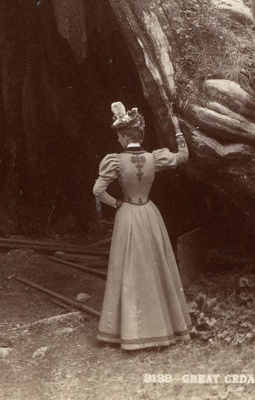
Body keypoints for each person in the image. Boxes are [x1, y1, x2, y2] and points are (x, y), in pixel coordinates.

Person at [93, 101, 191, 350]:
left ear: (125, 135)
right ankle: (160, 327)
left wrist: (116, 204)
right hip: (149, 212)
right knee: (153, 267)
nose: (118, 139)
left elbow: (97, 190)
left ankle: (130, 329)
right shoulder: (153, 157)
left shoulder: (115, 160)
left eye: (119, 135)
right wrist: (178, 129)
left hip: (127, 213)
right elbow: (183, 156)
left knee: (128, 268)